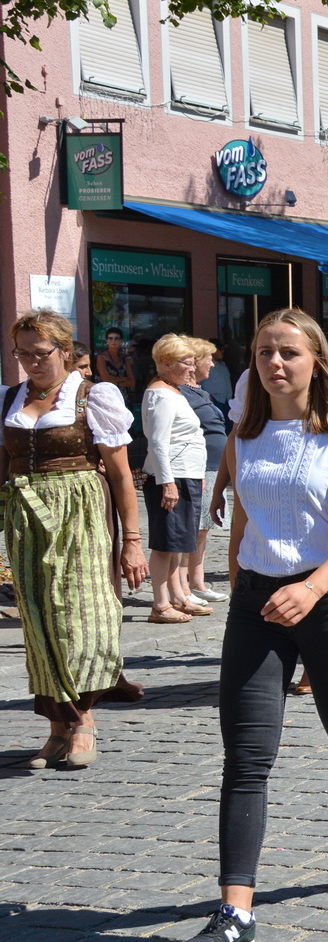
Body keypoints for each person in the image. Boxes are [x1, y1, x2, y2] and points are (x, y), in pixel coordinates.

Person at [179, 309, 328, 942]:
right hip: (258, 608)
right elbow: (245, 521)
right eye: (264, 352)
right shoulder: (244, 435)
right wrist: (239, 583)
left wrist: (312, 587)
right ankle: (235, 910)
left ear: (316, 361)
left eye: (289, 353)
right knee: (246, 757)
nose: (275, 363)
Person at [3, 310, 148, 770]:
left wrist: (132, 540)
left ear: (65, 351)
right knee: (38, 619)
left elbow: (121, 475)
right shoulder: (8, 398)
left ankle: (83, 718)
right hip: (25, 517)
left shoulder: (92, 396)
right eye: (22, 353)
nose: (31, 362)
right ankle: (56, 727)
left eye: (40, 353)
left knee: (83, 617)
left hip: (82, 515)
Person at [141, 335, 211, 624]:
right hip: (171, 477)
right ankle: (160, 604)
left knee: (179, 541)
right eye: (187, 363)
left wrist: (197, 475)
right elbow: (158, 442)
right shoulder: (161, 395)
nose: (192, 369)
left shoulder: (174, 391)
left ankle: (178, 596)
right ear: (166, 363)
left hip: (185, 475)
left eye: (193, 362)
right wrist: (167, 482)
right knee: (165, 543)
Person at [180, 339, 230, 607]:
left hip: (212, 465)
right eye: (208, 359)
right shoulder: (180, 392)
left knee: (203, 529)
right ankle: (185, 585)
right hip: (199, 466)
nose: (212, 364)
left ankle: (197, 583)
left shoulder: (199, 391)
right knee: (194, 528)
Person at [94, 327, 135, 393]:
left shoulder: (124, 359)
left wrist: (115, 382)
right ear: (106, 341)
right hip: (106, 394)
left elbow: (132, 382)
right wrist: (123, 379)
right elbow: (105, 378)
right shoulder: (101, 357)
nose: (113, 341)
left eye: (116, 338)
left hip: (123, 395)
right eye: (110, 338)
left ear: (121, 341)